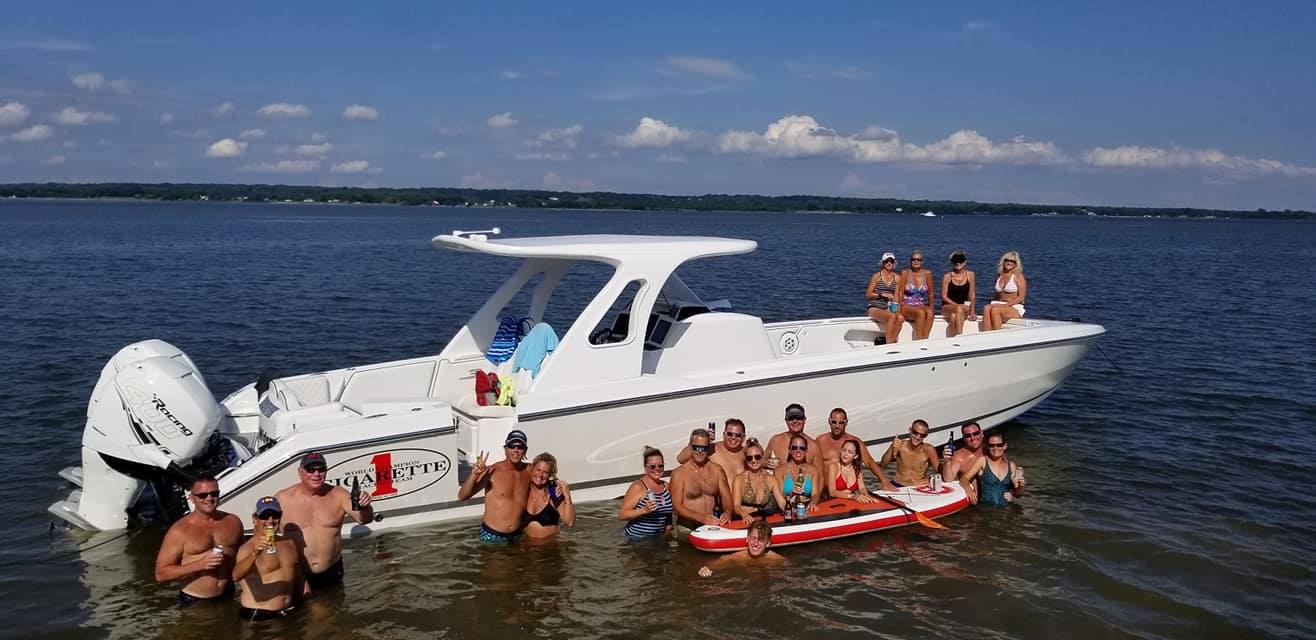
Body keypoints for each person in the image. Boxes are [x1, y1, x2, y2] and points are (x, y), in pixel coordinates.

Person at [275, 452, 373, 591]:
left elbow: (365, 519)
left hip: (332, 571)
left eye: (321, 469)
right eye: (310, 469)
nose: (316, 474)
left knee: (336, 608)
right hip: (298, 574)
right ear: (300, 472)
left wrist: (365, 506)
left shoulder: (338, 495)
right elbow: (264, 530)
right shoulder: (282, 499)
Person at [154, 475, 243, 606]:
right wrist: (199, 565)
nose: (209, 498)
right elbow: (161, 575)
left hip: (229, 594)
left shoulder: (233, 522)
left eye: (214, 493)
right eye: (203, 495)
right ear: (192, 498)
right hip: (196, 601)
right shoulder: (179, 530)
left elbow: (244, 557)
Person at [457, 430, 532, 544]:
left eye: (520, 447)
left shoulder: (530, 470)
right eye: (512, 446)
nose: (516, 450)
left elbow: (548, 476)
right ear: (505, 449)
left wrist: (562, 487)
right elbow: (462, 496)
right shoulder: (492, 471)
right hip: (492, 536)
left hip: (517, 535)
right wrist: (474, 474)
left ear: (525, 450)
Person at [232, 496, 301, 621]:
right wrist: (256, 553)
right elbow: (236, 576)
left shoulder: (288, 543)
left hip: (289, 611)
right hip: (260, 616)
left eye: (275, 515)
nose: (270, 520)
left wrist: (310, 601)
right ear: (255, 519)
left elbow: (299, 576)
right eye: (264, 516)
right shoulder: (247, 549)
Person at [814, 407, 897, 491]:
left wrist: (884, 481)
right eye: (834, 422)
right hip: (825, 491)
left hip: (849, 491)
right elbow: (811, 464)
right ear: (829, 421)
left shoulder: (855, 442)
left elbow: (869, 462)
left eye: (841, 422)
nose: (837, 426)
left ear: (846, 423)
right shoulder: (820, 440)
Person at [669, 428, 733, 529]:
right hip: (688, 527)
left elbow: (727, 498)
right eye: (696, 447)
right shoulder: (679, 474)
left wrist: (728, 512)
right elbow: (676, 506)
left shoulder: (717, 470)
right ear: (690, 447)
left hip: (712, 524)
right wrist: (701, 517)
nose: (700, 451)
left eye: (704, 448)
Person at [619, 446, 674, 539]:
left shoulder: (666, 486)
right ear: (645, 467)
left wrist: (668, 529)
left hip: (657, 538)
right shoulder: (638, 487)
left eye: (660, 465)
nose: (657, 469)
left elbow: (667, 513)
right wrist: (644, 510)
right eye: (652, 466)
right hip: (635, 538)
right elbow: (622, 515)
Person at [675, 418, 748, 486]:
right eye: (730, 434)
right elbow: (681, 458)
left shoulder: (749, 454)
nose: (733, 437)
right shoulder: (713, 448)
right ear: (724, 434)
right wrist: (702, 443)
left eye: (738, 435)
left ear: (743, 437)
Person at [960, 432, 1026, 506]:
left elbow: (1018, 494)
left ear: (1004, 446)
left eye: (999, 445)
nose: (995, 448)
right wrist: (968, 489)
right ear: (988, 447)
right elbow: (964, 478)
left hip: (1006, 511)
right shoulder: (983, 461)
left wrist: (1020, 487)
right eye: (991, 445)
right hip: (987, 511)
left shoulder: (1011, 465)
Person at [697, 520, 783, 576]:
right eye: (753, 538)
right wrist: (703, 571)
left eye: (760, 540)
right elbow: (710, 566)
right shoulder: (736, 557)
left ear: (768, 543)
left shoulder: (776, 559)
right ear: (747, 539)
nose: (755, 543)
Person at [523, 452, 575, 539]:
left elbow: (569, 522)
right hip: (528, 548)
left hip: (549, 548)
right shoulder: (524, 491)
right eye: (538, 470)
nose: (540, 475)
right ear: (532, 469)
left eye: (545, 472)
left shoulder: (554, 494)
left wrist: (567, 495)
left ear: (550, 475)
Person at [730, 438, 786, 520]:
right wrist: (744, 514)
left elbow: (781, 502)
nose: (754, 461)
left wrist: (790, 510)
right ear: (745, 459)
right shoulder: (739, 479)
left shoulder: (770, 479)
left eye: (757, 457)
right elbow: (736, 506)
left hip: (765, 520)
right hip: (746, 520)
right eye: (749, 458)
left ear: (762, 457)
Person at [879, 420, 941, 486]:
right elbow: (883, 465)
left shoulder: (928, 449)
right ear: (910, 430)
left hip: (917, 486)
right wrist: (891, 448)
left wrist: (925, 481)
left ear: (926, 436)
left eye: (922, 435)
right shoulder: (900, 445)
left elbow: (941, 473)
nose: (918, 437)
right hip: (897, 484)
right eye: (915, 433)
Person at [778, 434, 823, 518]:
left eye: (802, 448)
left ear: (806, 451)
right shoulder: (780, 471)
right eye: (794, 448)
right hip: (787, 510)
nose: (798, 451)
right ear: (789, 450)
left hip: (806, 509)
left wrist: (813, 503)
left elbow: (815, 494)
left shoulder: (813, 470)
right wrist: (791, 492)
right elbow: (779, 496)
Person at [983, 250, 1027, 331]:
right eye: (1007, 260)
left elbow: (1021, 297)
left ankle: (998, 336)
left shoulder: (1018, 276)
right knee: (986, 307)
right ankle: (986, 335)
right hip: (999, 304)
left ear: (1016, 264)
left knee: (995, 310)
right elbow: (997, 294)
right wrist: (994, 303)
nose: (1009, 262)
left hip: (1014, 306)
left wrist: (1005, 305)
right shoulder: (1000, 275)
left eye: (1012, 261)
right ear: (1003, 261)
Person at [766, 403, 820, 469]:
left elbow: (820, 477)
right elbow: (761, 461)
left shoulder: (814, 446)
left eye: (798, 418)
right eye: (791, 418)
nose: (795, 421)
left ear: (804, 420)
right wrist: (768, 464)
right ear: (786, 420)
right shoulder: (775, 440)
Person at [865, 251, 903, 344]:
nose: (889, 263)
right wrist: (881, 295)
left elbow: (896, 296)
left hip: (888, 307)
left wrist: (896, 308)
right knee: (891, 317)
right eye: (887, 261)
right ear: (882, 263)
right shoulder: (877, 276)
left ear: (894, 263)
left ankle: (891, 341)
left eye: (891, 261)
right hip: (875, 307)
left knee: (900, 318)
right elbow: (868, 294)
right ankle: (889, 345)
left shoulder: (897, 278)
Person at [896, 250, 935, 340]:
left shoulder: (927, 274)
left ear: (922, 261)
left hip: (920, 304)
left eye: (918, 259)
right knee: (920, 313)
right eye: (913, 259)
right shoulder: (905, 273)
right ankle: (920, 339)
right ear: (910, 261)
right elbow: (900, 291)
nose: (916, 261)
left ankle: (925, 338)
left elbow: (931, 293)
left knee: (930, 312)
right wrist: (899, 307)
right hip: (906, 304)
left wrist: (931, 306)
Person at [941, 249, 977, 338]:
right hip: (947, 306)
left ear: (965, 262)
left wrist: (972, 311)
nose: (958, 263)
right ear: (952, 262)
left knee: (954, 317)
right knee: (958, 309)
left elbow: (971, 294)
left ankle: (952, 340)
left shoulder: (970, 275)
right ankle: (960, 337)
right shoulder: (947, 276)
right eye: (955, 261)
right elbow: (944, 297)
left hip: (963, 308)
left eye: (960, 261)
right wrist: (958, 305)